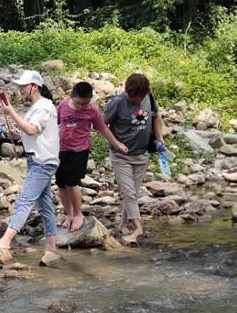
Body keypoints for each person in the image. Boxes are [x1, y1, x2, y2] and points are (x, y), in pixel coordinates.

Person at [0, 70, 60, 258]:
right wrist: (19, 135)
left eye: (23, 86)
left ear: (34, 87)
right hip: (41, 159)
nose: (20, 89)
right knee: (44, 205)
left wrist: (11, 113)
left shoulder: (43, 107)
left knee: (24, 201)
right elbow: (30, 132)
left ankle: (6, 240)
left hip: (42, 160)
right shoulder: (39, 106)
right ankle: (52, 246)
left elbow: (32, 129)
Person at [56, 81, 128, 232]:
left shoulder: (92, 111)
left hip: (80, 150)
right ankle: (68, 214)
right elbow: (51, 124)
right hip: (61, 149)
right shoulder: (62, 106)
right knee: (61, 183)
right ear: (72, 96)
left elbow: (102, 128)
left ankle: (78, 214)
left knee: (72, 182)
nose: (82, 106)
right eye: (79, 103)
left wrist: (117, 144)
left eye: (85, 103)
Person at [104, 73, 164, 245]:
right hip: (121, 156)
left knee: (133, 194)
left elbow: (156, 117)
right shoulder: (117, 103)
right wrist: (116, 143)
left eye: (140, 97)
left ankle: (124, 224)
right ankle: (138, 228)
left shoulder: (149, 97)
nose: (137, 100)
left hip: (141, 154)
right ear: (127, 91)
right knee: (129, 192)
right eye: (133, 97)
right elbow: (102, 125)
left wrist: (160, 139)